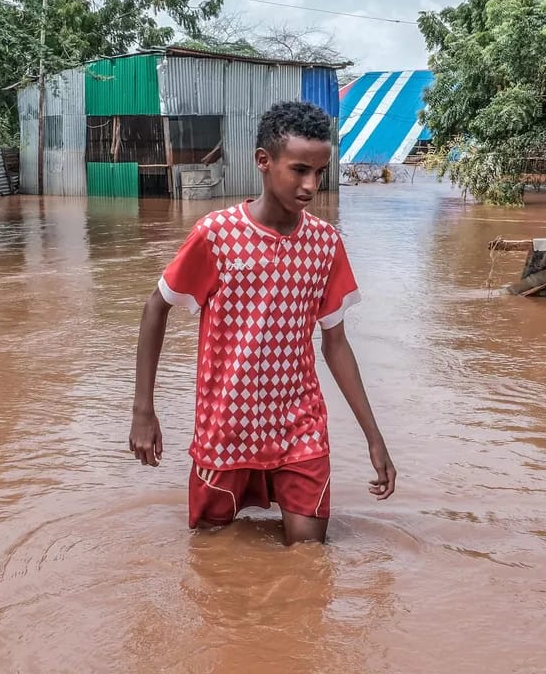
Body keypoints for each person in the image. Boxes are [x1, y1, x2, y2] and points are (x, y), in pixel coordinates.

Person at [128, 100, 396, 545]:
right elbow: (157, 306)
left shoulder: (326, 244)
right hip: (226, 425)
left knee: (309, 556)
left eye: (319, 172)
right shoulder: (217, 235)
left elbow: (336, 345)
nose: (311, 186)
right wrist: (143, 411)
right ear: (263, 161)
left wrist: (374, 436)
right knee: (214, 554)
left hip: (300, 424)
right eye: (299, 170)